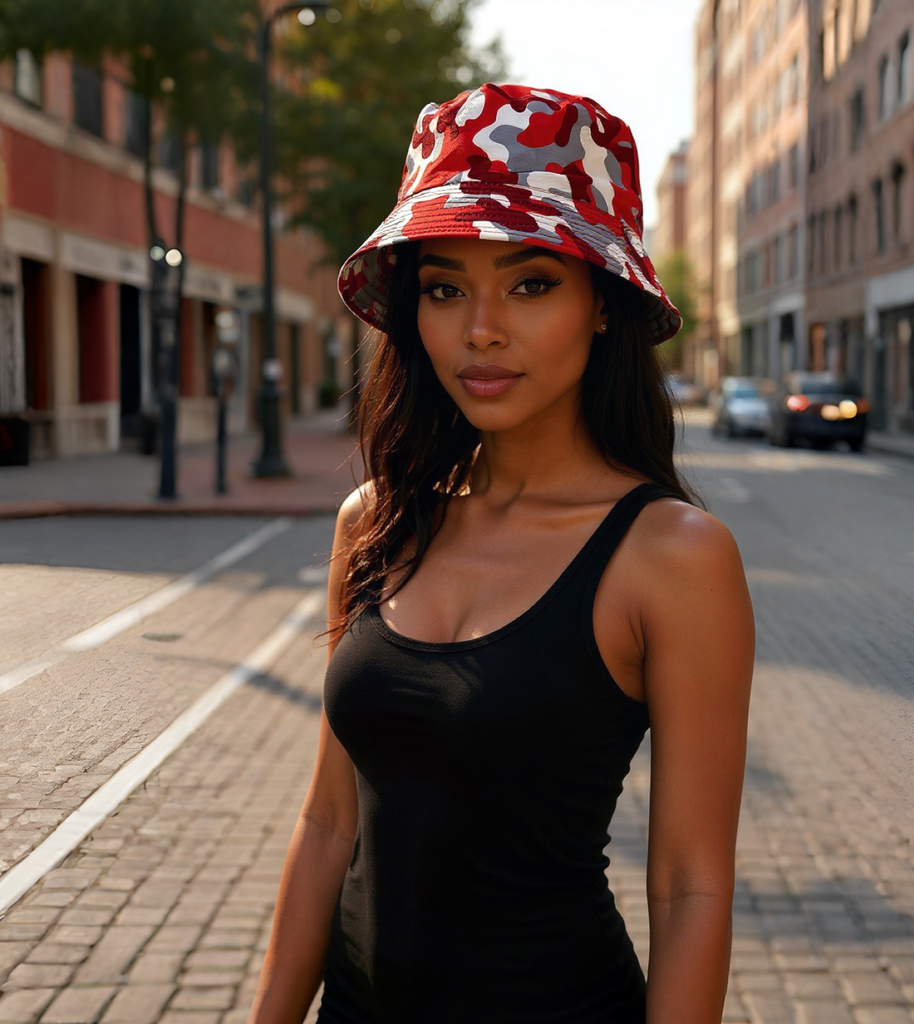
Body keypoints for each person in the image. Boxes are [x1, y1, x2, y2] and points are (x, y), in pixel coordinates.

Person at [247, 83, 755, 1024]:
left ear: (602, 305)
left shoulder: (671, 555)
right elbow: (328, 824)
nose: (481, 329)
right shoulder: (376, 522)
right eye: (445, 287)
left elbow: (691, 886)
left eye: (531, 283)